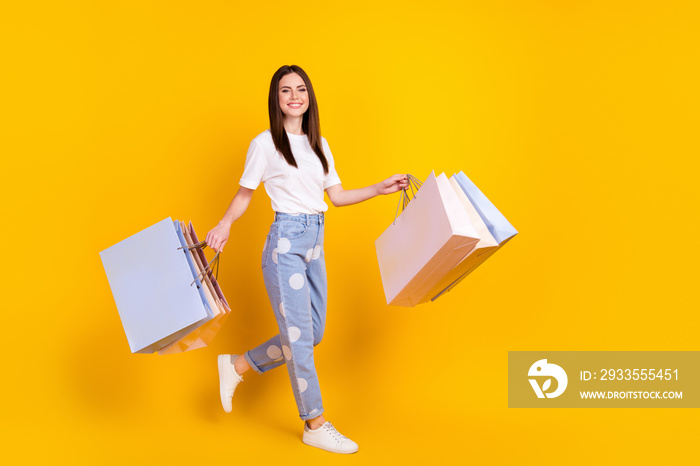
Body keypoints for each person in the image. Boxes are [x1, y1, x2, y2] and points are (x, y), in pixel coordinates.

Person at [205, 64, 407, 454]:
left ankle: (237, 366)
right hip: (286, 245)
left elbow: (338, 197)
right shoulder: (265, 144)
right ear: (275, 99)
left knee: (311, 333)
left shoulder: (320, 145)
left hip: (316, 241)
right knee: (300, 342)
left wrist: (380, 189)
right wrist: (225, 224)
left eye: (300, 89)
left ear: (309, 96)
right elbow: (245, 194)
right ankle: (314, 423)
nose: (294, 96)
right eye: (285, 91)